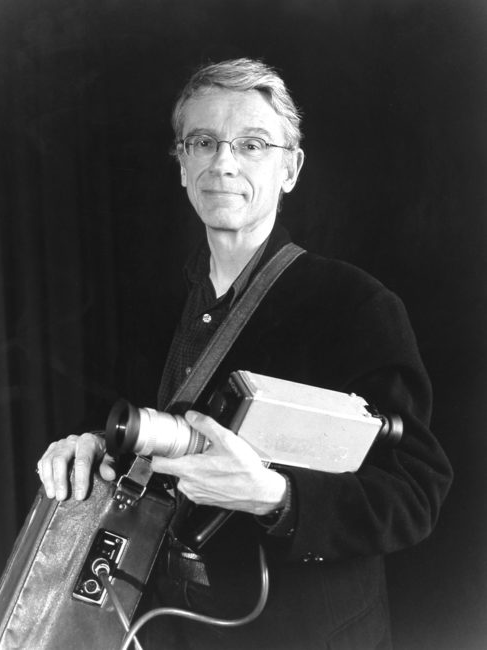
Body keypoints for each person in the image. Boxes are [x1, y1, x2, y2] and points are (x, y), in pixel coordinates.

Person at [37, 58, 452, 649]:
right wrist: (86, 444)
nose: (223, 162)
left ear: (291, 168)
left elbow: (416, 492)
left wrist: (277, 498)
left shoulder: (357, 305)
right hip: (158, 626)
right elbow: (116, 427)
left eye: (252, 144)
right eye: (203, 142)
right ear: (181, 165)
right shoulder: (150, 310)